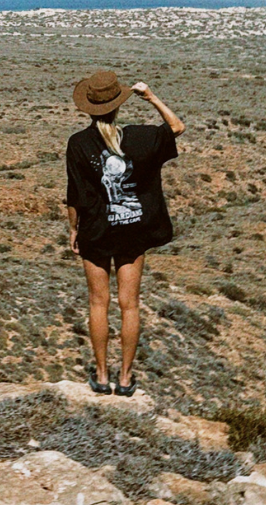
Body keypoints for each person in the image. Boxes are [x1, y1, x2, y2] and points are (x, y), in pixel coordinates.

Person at [65, 69, 184, 396]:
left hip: (96, 231)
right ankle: (127, 378)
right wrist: (151, 97)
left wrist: (73, 229)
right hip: (133, 230)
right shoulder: (139, 137)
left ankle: (102, 376)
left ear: (89, 108)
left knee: (98, 303)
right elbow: (177, 127)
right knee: (129, 304)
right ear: (118, 105)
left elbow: (74, 195)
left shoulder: (78, 144)